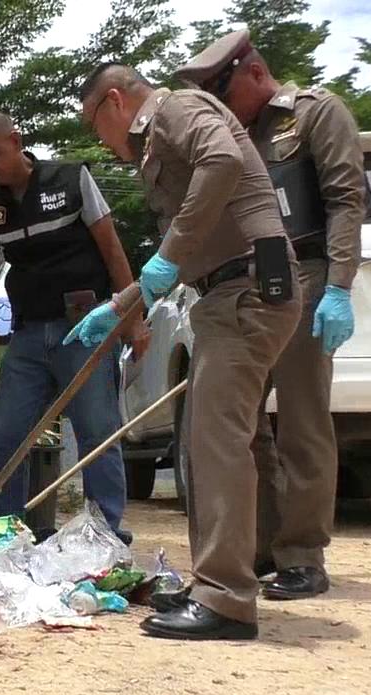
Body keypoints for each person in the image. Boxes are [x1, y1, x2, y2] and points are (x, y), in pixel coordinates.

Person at [71, 64, 302, 640]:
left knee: (215, 440)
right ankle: (217, 582)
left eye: (95, 124)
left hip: (248, 290)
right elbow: (189, 238)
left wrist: (166, 257)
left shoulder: (174, 110)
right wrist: (125, 303)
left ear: (115, 102)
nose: (104, 141)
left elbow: (221, 161)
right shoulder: (163, 126)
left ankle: (226, 599)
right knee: (216, 437)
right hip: (226, 294)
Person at [175, 29, 368, 601]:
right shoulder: (231, 133)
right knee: (244, 426)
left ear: (253, 72)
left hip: (306, 272)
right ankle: (253, 548)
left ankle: (303, 554)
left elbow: (345, 200)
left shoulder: (315, 113)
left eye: (220, 89)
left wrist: (339, 285)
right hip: (248, 280)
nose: (215, 102)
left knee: (304, 421)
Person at [0, 111, 145, 542]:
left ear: (17, 141)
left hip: (87, 328)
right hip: (27, 333)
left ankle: (106, 532)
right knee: (5, 434)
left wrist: (133, 320)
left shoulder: (72, 179)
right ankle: (1, 531)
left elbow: (113, 250)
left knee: (97, 430)